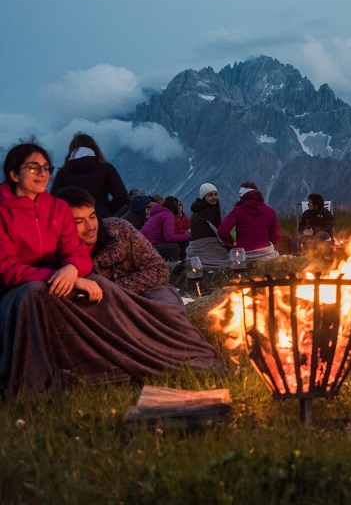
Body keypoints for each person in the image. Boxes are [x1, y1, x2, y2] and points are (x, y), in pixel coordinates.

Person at [0, 143, 220, 395]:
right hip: (35, 289)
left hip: (135, 289)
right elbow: (11, 268)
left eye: (45, 167)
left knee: (162, 307)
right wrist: (68, 273)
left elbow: (155, 269)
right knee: (42, 296)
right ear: (14, 174)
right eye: (33, 167)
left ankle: (185, 356)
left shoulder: (113, 227)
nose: (41, 173)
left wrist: (75, 269)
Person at [55, 187, 185, 312]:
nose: (90, 226)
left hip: (143, 295)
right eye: (78, 221)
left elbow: (159, 269)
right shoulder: (56, 253)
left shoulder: (120, 229)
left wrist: (113, 290)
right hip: (103, 310)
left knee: (166, 302)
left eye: (92, 217)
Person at [50, 132, 128, 219]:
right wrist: (105, 210)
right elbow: (121, 196)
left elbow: (54, 203)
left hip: (73, 223)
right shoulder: (106, 169)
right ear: (95, 149)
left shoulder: (63, 173)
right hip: (101, 221)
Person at [218, 184, 281, 261]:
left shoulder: (238, 211)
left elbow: (222, 231)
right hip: (265, 254)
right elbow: (277, 236)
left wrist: (232, 242)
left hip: (243, 255)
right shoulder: (270, 211)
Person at [185, 183, 231, 269]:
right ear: (204, 197)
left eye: (215, 194)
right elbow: (220, 234)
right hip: (208, 247)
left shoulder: (197, 211)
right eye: (210, 195)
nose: (214, 197)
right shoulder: (209, 212)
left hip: (195, 249)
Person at [141, 197, 191, 262]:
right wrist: (188, 235)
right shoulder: (167, 215)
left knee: (178, 243)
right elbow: (170, 238)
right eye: (177, 206)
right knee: (174, 247)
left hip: (142, 245)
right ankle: (172, 269)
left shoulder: (159, 213)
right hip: (147, 247)